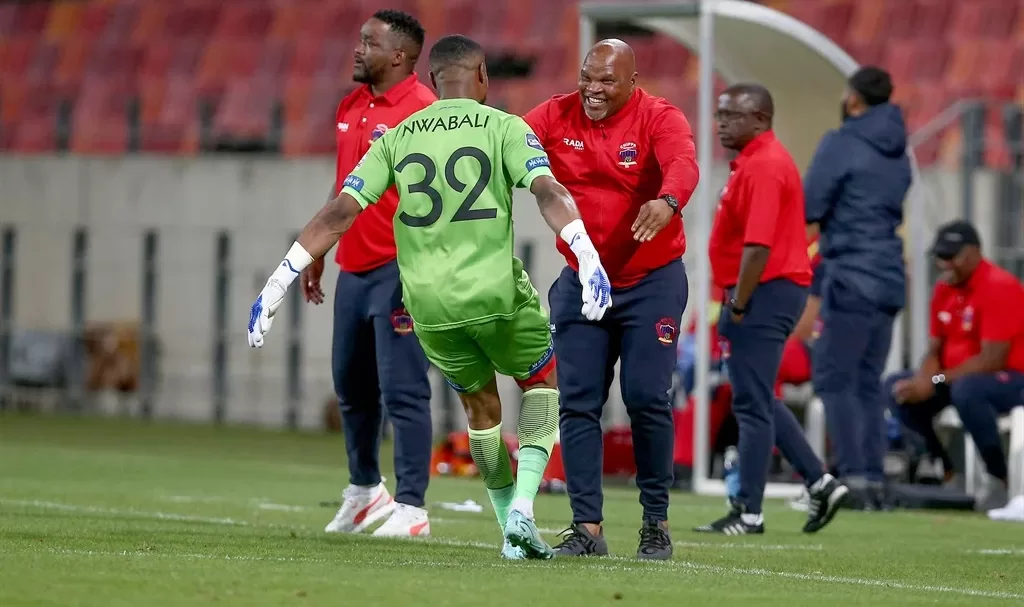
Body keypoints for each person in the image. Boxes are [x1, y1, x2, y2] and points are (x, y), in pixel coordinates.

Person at [247, 34, 613, 560]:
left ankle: (508, 528)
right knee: (541, 381)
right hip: (494, 295)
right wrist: (586, 251)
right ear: (482, 76)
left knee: (479, 408)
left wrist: (278, 280)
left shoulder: (395, 137)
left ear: (434, 79)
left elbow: (339, 213)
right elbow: (547, 191)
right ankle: (523, 511)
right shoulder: (505, 127)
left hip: (428, 308)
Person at [523, 39, 699, 560]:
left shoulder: (659, 118)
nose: (593, 89)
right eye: (587, 77)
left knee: (647, 396)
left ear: (632, 81)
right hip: (582, 282)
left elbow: (683, 163)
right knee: (577, 403)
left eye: (606, 81)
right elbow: (507, 143)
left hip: (651, 280)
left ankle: (656, 523)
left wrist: (668, 202)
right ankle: (587, 529)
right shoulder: (555, 116)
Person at [298, 10, 437, 538]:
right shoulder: (351, 106)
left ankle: (413, 507)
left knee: (404, 389)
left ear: (399, 55)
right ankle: (363, 491)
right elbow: (343, 188)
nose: (357, 50)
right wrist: (318, 248)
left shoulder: (425, 111)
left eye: (368, 43)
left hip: (400, 270)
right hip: (353, 269)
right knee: (351, 387)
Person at [697, 83, 848, 535]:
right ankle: (820, 481)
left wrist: (738, 301)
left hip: (765, 291)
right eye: (720, 114)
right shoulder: (754, 162)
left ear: (761, 119)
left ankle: (750, 511)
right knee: (755, 394)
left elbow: (758, 247)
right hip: (765, 290)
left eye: (733, 115)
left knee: (751, 403)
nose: (721, 123)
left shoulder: (764, 166)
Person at [804, 66, 912, 509]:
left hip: (852, 273)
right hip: (889, 275)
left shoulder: (842, 142)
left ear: (853, 99)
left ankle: (851, 479)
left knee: (834, 378)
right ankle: (871, 477)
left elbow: (811, 202)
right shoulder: (898, 151)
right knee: (867, 382)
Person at [888, 220, 1024, 512]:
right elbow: (935, 348)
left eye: (951, 256)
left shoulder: (999, 286)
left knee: (967, 391)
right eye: (940, 256)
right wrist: (925, 377)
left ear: (974, 252)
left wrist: (935, 380)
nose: (944, 263)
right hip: (955, 378)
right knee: (897, 387)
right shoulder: (944, 290)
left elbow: (992, 359)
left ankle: (998, 477)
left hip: (1009, 379)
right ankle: (947, 472)